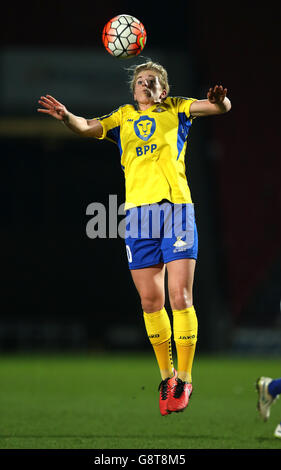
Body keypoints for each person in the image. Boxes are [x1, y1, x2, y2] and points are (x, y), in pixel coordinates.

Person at [38, 60, 231, 416]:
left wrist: (220, 101)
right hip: (139, 217)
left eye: (152, 80)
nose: (145, 83)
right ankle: (166, 378)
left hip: (175, 209)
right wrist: (67, 116)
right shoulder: (122, 117)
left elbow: (218, 107)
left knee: (180, 295)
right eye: (140, 80)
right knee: (150, 302)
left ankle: (184, 378)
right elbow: (85, 127)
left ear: (164, 90)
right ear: (134, 89)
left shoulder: (178, 109)